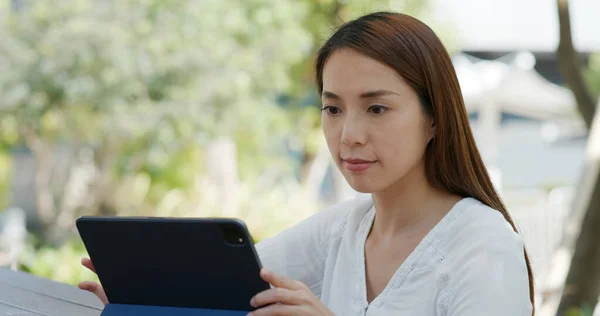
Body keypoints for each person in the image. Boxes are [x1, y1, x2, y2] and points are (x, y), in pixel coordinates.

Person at [79, 11, 534, 316]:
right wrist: (144, 292)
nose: (348, 134)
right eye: (332, 108)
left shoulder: (484, 248)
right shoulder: (343, 231)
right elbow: (231, 290)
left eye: (376, 108)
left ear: (434, 117)